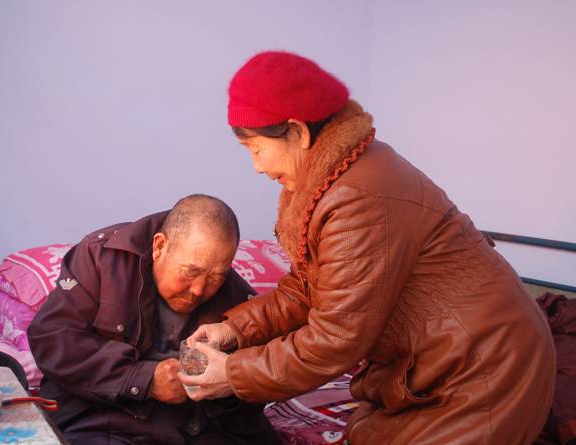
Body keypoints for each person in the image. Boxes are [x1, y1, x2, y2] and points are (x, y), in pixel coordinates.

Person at [179, 51, 556, 444]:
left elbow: (333, 341)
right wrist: (234, 330)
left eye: (255, 149)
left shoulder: (356, 198)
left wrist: (233, 373)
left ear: (298, 132)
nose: (256, 166)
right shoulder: (331, 178)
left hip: (483, 368)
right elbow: (308, 288)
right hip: (446, 358)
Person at [27, 194, 280, 445]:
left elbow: (259, 388)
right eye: (191, 272)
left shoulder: (242, 301)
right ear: (159, 247)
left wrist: (227, 382)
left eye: (215, 277)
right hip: (104, 420)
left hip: (200, 428)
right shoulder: (102, 258)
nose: (199, 290)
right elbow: (53, 340)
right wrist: (145, 379)